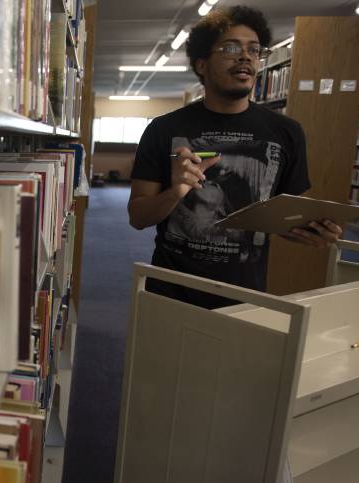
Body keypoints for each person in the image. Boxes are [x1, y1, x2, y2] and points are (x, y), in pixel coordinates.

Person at [127, 5, 342, 309]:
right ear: (201, 64)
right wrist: (175, 192)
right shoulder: (164, 129)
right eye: (230, 48)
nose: (245, 57)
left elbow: (282, 219)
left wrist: (311, 232)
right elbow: (137, 217)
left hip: (245, 294)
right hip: (171, 291)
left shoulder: (287, 132)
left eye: (254, 50)